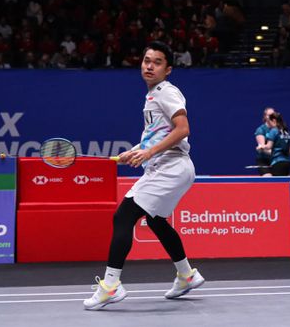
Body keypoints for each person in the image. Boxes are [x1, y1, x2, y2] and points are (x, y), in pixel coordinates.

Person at [83, 41, 204, 310]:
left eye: (157, 62)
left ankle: (111, 285)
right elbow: (158, 134)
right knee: (157, 221)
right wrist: (135, 151)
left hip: (171, 167)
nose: (149, 65)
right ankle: (186, 276)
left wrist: (148, 154)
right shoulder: (153, 95)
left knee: (123, 215)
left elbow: (182, 129)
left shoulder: (166, 92)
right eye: (146, 60)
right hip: (171, 167)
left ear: (168, 69)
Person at [257, 111, 290, 176]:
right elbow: (288, 146)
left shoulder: (274, 131)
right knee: (285, 184)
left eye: (270, 121)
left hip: (278, 162)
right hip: (288, 163)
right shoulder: (286, 131)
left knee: (277, 185)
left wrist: (261, 146)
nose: (269, 124)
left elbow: (269, 146)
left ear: (274, 120)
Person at [254, 107, 275, 174]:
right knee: (269, 180)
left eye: (273, 115)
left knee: (284, 181)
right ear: (265, 117)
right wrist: (278, 154)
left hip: (277, 161)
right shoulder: (261, 130)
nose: (272, 117)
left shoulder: (279, 129)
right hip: (264, 160)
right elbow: (263, 149)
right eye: (270, 115)